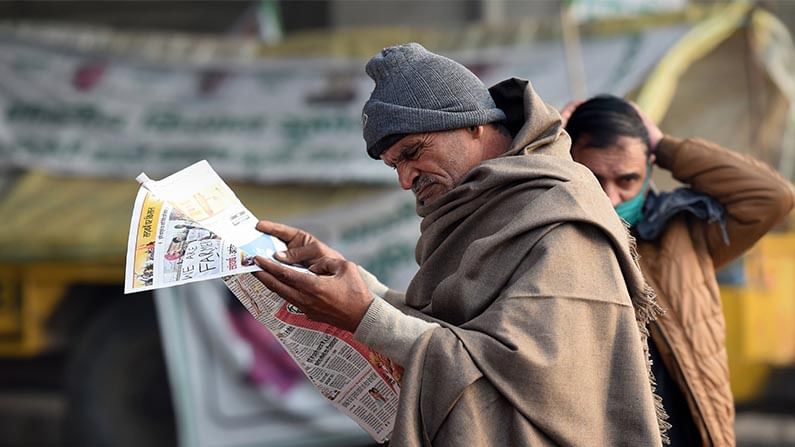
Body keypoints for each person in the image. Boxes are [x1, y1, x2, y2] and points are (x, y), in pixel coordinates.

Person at [253, 43, 667, 446]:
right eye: (395, 164)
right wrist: (354, 280)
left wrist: (365, 314)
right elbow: (457, 333)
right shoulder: (479, 208)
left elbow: (525, 377)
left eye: (413, 152)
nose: (405, 178)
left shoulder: (558, 212)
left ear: (474, 123)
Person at [561, 95, 795, 447]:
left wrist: (665, 145)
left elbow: (772, 196)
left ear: (650, 169)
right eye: (595, 179)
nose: (611, 198)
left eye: (627, 180)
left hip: (693, 433)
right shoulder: (553, 242)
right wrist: (547, 149)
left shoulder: (685, 232)